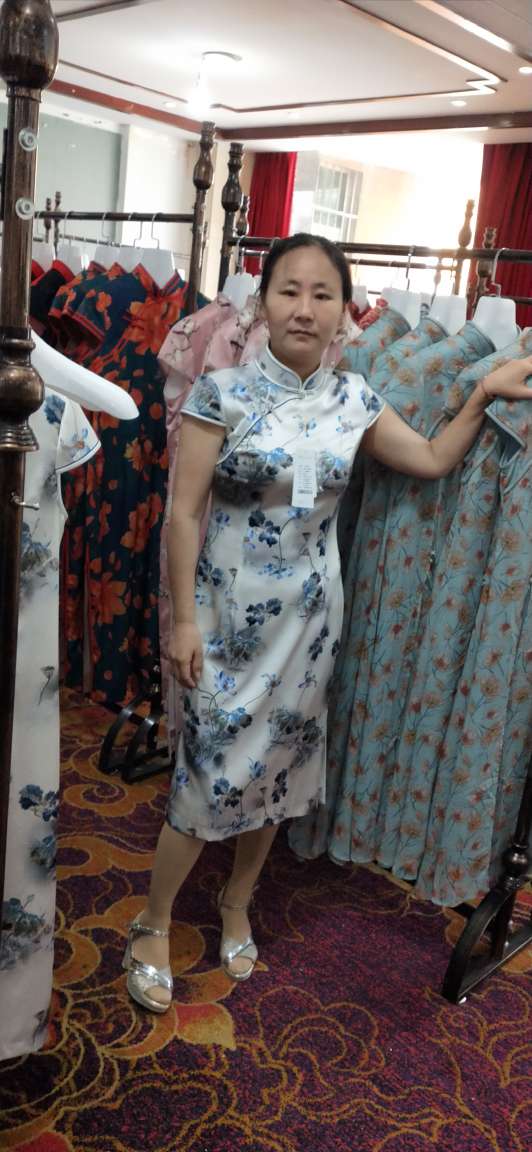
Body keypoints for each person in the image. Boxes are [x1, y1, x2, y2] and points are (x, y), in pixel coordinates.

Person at [122, 233, 532, 1012]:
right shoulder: (222, 393)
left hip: (309, 629)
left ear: (346, 310)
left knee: (276, 776)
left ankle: (238, 901)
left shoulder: (356, 400)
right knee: (203, 779)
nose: (304, 309)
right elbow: (183, 514)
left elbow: (432, 459)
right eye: (289, 290)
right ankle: (153, 922)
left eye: (322, 294)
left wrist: (482, 394)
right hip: (225, 624)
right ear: (263, 302)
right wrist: (183, 623)